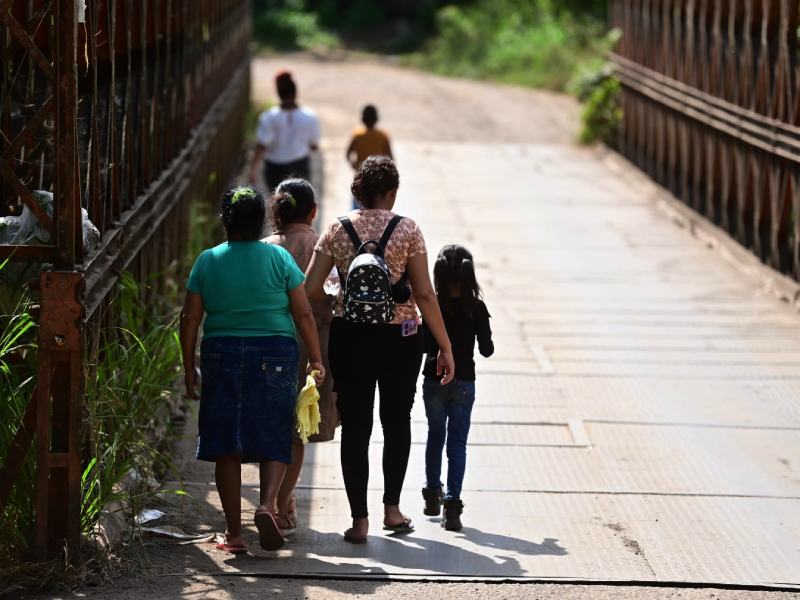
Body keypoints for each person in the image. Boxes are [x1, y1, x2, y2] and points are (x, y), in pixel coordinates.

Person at [305, 156, 455, 543]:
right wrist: (444, 345)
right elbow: (423, 292)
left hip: (349, 336)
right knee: (396, 422)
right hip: (399, 341)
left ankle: (359, 522)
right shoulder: (408, 230)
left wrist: (334, 310)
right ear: (391, 193)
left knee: (355, 426)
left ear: (359, 192)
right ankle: (392, 509)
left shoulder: (336, 230)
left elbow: (309, 290)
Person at [180, 185, 325, 555]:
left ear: (225, 221)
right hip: (275, 351)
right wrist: (316, 357)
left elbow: (191, 318)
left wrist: (188, 368)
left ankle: (234, 534)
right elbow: (303, 312)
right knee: (274, 433)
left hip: (222, 352)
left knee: (226, 444)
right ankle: (267, 506)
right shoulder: (278, 259)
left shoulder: (208, 260)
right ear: (261, 219)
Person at [263, 178, 338, 534]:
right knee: (298, 431)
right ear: (313, 212)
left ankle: (277, 501)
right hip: (311, 353)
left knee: (271, 426)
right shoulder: (320, 248)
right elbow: (333, 300)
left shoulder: (264, 247)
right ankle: (281, 503)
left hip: (266, 347)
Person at [421, 245, 494, 532]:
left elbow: (426, 346)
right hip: (464, 381)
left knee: (435, 436)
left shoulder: (432, 305)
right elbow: (487, 350)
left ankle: (431, 495)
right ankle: (453, 505)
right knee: (458, 444)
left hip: (434, 380)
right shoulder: (476, 307)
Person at [249, 71, 321, 194]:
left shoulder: (268, 117)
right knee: (300, 204)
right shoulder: (310, 117)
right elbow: (314, 146)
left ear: (278, 93)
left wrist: (253, 170)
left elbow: (261, 145)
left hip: (274, 168)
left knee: (277, 204)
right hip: (300, 167)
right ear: (295, 92)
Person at [346, 105, 393, 210]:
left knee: (357, 210)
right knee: (378, 209)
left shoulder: (357, 135)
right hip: (379, 180)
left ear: (362, 119)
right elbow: (390, 157)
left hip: (360, 178)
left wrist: (353, 165)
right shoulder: (383, 136)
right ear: (377, 119)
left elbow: (348, 153)